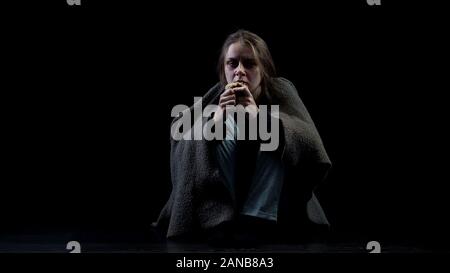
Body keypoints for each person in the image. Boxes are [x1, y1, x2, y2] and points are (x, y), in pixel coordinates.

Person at [156, 30, 332, 246]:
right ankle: (219, 219)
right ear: (223, 69)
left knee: (273, 130)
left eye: (249, 64)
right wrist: (217, 120)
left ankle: (257, 218)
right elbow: (181, 135)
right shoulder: (216, 94)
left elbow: (308, 141)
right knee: (213, 129)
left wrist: (258, 117)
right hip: (220, 211)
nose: (239, 71)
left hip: (276, 205)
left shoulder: (281, 90)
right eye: (232, 63)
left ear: (264, 69)